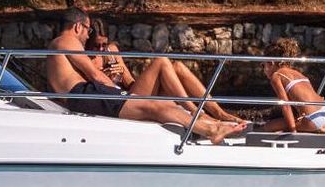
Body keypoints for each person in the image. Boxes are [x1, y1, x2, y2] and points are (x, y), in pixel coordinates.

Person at [45, 10, 246, 142]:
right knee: (154, 107)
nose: (87, 35)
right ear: (78, 26)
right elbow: (95, 75)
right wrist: (120, 92)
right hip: (85, 94)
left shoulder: (59, 47)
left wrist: (121, 88)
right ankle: (210, 128)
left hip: (86, 94)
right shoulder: (66, 41)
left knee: (160, 104)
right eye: (87, 30)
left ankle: (212, 122)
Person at [86, 22, 244, 125]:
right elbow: (89, 91)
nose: (101, 49)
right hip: (118, 103)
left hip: (129, 94)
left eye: (104, 44)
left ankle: (218, 112)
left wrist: (120, 75)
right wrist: (106, 79)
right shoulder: (84, 59)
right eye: (96, 46)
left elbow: (130, 83)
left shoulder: (111, 51)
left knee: (178, 66)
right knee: (161, 61)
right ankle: (195, 112)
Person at [260, 37, 325, 134]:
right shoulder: (296, 73)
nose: (263, 70)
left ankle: (315, 127)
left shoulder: (276, 76)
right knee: (304, 122)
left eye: (263, 65)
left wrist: (293, 131)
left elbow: (286, 106)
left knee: (268, 127)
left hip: (311, 118)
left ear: (271, 63)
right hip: (323, 111)